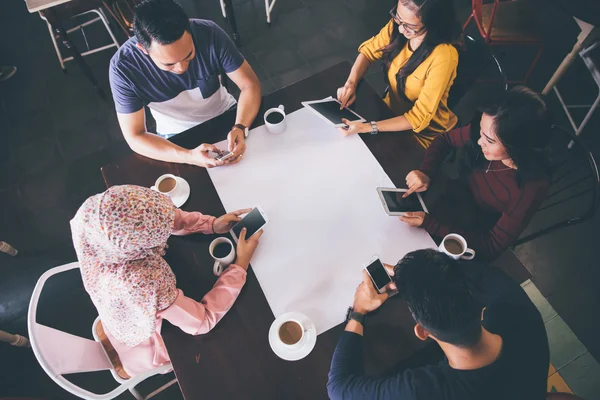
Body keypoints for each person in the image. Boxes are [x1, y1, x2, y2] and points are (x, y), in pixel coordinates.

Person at [70, 185, 263, 376]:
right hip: (144, 340)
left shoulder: (92, 214)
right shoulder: (143, 281)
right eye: (159, 234)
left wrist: (211, 224)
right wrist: (240, 265)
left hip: (109, 300)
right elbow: (203, 321)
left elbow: (160, 216)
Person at [327, 249, 550, 400]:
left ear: (422, 332)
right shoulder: (518, 311)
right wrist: (419, 277)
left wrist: (358, 312)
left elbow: (338, 388)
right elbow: (481, 273)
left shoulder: (427, 390)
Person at [399, 86, 551, 260]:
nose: (479, 141)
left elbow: (492, 245)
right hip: (450, 199)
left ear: (516, 146)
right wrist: (426, 171)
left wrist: (431, 224)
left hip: (471, 230)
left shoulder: (530, 188)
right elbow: (445, 139)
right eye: (481, 131)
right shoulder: (488, 129)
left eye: (489, 140)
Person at [109, 0, 261, 168]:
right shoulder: (123, 68)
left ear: (189, 27)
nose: (181, 68)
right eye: (169, 64)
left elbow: (249, 84)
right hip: (175, 136)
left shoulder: (209, 33)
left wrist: (240, 126)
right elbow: (135, 137)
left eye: (188, 55)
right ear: (143, 49)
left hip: (226, 113)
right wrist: (189, 156)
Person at [336, 0, 462, 147]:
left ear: (432, 24)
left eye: (410, 26)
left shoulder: (443, 56)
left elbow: (418, 118)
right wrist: (351, 83)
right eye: (398, 17)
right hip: (389, 113)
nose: (401, 30)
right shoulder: (399, 25)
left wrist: (368, 127)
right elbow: (369, 51)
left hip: (421, 135)